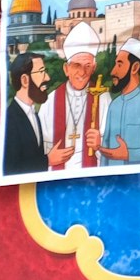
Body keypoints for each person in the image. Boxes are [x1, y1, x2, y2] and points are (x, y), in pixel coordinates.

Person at [39, 23, 102, 170]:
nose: (82, 73)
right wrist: (47, 158)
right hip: (56, 177)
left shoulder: (103, 99)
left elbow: (115, 145)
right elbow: (39, 145)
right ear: (66, 69)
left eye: (87, 66)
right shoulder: (49, 102)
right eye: (76, 66)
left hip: (95, 174)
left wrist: (101, 144)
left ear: (94, 68)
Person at [2, 51, 65, 175]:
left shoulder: (34, 114)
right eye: (41, 72)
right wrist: (47, 160)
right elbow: (10, 169)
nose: (47, 77)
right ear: (25, 80)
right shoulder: (10, 119)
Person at [97, 39, 140, 167]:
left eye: (119, 64)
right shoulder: (114, 105)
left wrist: (129, 154)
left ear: (134, 68)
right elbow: (106, 148)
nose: (113, 72)